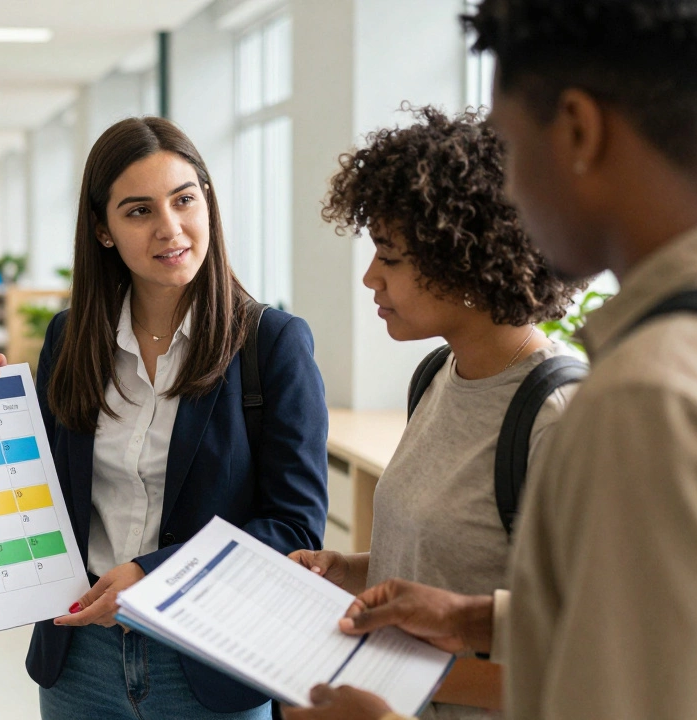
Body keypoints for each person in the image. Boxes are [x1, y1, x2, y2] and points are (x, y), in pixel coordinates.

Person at [281, 1, 697, 718]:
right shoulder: (665, 364)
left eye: (515, 152)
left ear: (577, 129)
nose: (509, 198)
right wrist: (470, 619)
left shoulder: (644, 397)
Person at [0, 116, 329, 719]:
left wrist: (149, 574)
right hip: (80, 661)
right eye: (138, 212)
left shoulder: (272, 343)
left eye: (184, 200)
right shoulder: (71, 338)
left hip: (212, 661)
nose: (170, 228)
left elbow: (294, 530)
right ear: (103, 230)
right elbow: (36, 494)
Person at [288, 106, 582, 718]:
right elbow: (451, 558)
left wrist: (397, 679)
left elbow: (584, 662)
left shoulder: (556, 416)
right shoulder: (435, 377)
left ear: (464, 256)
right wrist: (349, 570)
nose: (370, 277)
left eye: (389, 257)